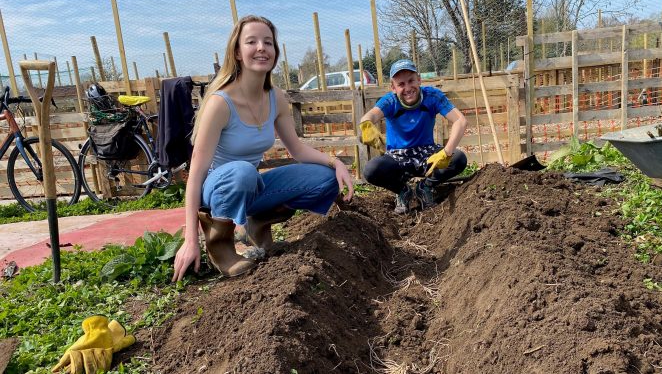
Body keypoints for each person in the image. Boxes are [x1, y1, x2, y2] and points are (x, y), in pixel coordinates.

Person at [172, 15, 354, 282]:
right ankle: (220, 245)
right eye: (252, 41)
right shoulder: (220, 103)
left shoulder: (276, 98)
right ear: (237, 51)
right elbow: (196, 174)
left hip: (250, 184)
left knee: (324, 179)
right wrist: (191, 240)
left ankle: (256, 222)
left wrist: (335, 163)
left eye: (268, 42)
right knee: (243, 172)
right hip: (217, 191)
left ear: (275, 52)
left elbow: (298, 150)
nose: (261, 48)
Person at [359, 59, 468, 214]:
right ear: (393, 87)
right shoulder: (390, 101)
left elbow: (460, 120)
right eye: (401, 84)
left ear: (419, 80)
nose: (408, 88)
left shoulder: (432, 96)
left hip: (427, 153)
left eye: (411, 81)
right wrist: (367, 126)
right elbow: (368, 117)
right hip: (397, 157)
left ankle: (425, 187)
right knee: (371, 170)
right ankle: (403, 191)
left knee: (458, 159)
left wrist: (446, 152)